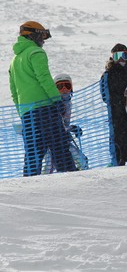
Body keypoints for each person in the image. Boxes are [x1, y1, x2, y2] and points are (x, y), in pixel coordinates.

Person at [9, 21, 77, 176]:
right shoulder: (35, 53)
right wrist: (56, 100)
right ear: (32, 35)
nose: (43, 40)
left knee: (33, 152)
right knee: (59, 148)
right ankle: (71, 178)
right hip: (45, 109)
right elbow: (44, 78)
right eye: (41, 36)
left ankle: (29, 183)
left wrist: (22, 112)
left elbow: (14, 91)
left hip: (28, 113)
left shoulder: (15, 61)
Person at [43, 73, 89, 173]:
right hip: (52, 143)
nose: (64, 89)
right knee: (49, 167)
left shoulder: (68, 103)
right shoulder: (53, 104)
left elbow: (64, 123)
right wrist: (68, 129)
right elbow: (54, 124)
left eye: (67, 86)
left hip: (64, 140)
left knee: (82, 161)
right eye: (60, 86)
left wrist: (70, 128)